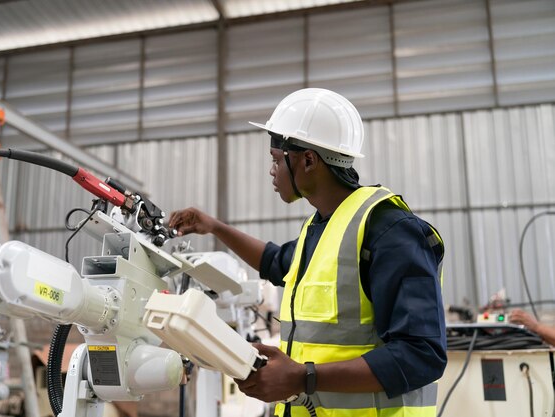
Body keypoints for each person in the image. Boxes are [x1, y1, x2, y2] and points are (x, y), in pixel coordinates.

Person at [169, 88, 447, 417]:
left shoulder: (391, 232)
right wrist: (214, 227)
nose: (272, 171)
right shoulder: (323, 227)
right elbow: (275, 261)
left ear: (308, 159)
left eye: (276, 160)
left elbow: (422, 355)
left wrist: (303, 378)